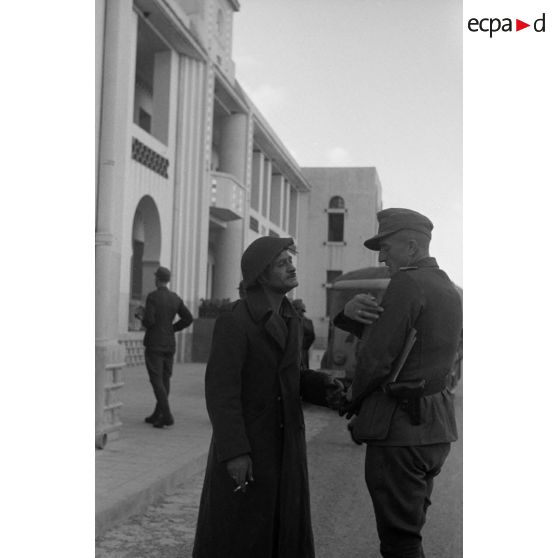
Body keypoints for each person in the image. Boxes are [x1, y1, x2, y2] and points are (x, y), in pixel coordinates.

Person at [192, 237, 344, 558]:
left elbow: (292, 377)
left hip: (286, 446)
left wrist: (326, 388)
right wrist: (235, 453)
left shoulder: (291, 317)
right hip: (251, 446)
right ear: (261, 275)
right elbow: (222, 391)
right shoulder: (235, 320)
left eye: (291, 259)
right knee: (242, 535)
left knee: (283, 530)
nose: (291, 266)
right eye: (281, 263)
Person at [334, 208, 462, 558]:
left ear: (410, 247)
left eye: (386, 247)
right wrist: (348, 318)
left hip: (401, 433)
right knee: (409, 530)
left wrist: (351, 401)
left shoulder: (406, 282)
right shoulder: (447, 286)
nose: (381, 256)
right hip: (435, 429)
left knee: (400, 542)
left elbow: (378, 357)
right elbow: (413, 344)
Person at [138, 266, 193, 429]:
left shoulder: (153, 297)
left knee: (156, 380)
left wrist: (141, 316)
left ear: (157, 279)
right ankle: (158, 413)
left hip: (154, 343)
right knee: (164, 379)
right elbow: (188, 318)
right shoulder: (175, 298)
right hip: (169, 343)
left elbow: (149, 321)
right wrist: (172, 328)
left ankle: (167, 415)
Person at [292, 299, 315, 369]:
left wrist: (301, 345)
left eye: (301, 310)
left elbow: (311, 337)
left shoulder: (307, 322)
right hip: (293, 352)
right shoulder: (290, 321)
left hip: (302, 352)